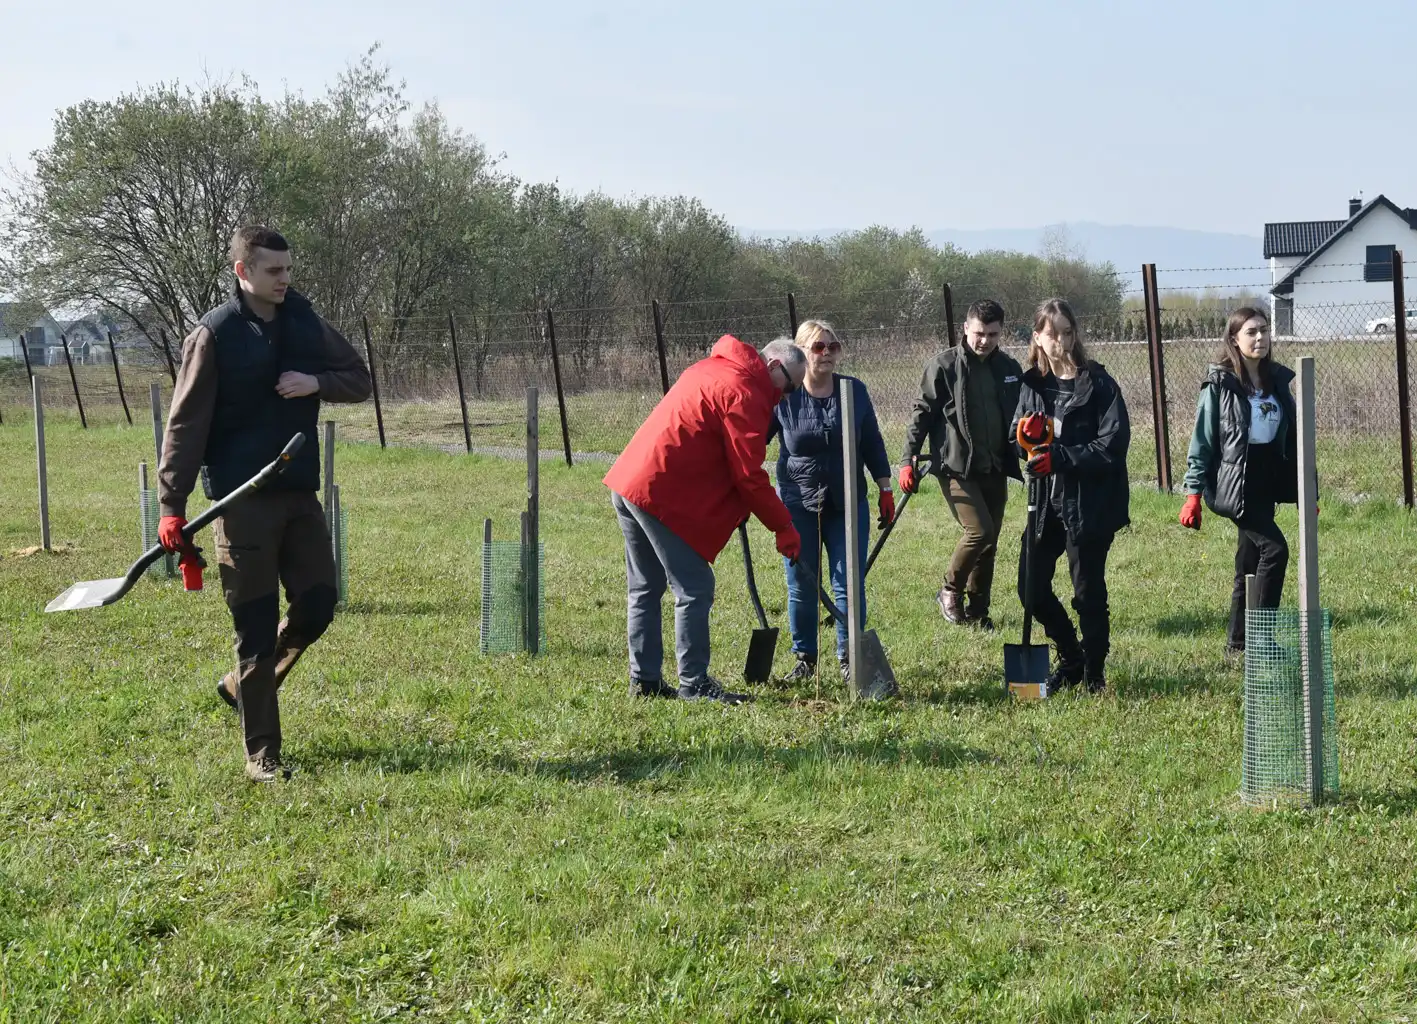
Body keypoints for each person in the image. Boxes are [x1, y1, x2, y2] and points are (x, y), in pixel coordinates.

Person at [157, 225, 371, 782]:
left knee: (319, 604)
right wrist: (171, 504)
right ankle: (262, 756)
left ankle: (239, 686)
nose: (285, 279)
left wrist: (314, 382)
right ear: (242, 272)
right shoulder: (215, 334)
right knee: (253, 627)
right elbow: (185, 423)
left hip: (298, 492)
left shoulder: (303, 319)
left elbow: (358, 380)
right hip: (241, 497)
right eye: (273, 270)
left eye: (288, 269)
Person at [603, 335, 806, 704]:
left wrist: (736, 504)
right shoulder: (746, 390)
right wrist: (783, 525)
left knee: (645, 588)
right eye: (789, 386)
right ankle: (694, 683)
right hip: (658, 491)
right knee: (694, 588)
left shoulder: (711, 368)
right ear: (774, 366)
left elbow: (710, 445)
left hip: (630, 480)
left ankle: (644, 681)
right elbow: (749, 474)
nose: (787, 396)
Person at [1011, 298, 1130, 694]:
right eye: (1051, 333)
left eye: (1066, 332)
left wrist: (1062, 456)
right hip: (1045, 503)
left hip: (1089, 503)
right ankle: (1071, 657)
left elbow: (1113, 445)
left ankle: (1094, 674)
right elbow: (1017, 439)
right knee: (1030, 588)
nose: (1060, 340)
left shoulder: (1098, 384)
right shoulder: (1032, 385)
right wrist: (1022, 441)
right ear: (1037, 338)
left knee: (1087, 592)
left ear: (1075, 335)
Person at [768, 320, 893, 682]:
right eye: (818, 347)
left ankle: (849, 658)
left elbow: (871, 441)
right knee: (801, 584)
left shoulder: (853, 391)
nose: (826, 354)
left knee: (848, 582)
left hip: (847, 503)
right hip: (796, 503)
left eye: (832, 347)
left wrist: (884, 488)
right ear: (801, 353)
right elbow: (753, 437)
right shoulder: (785, 394)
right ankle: (805, 659)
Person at [1179, 307, 1298, 658]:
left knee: (1248, 562)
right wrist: (1193, 494)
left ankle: (1237, 644)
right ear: (1234, 339)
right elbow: (1202, 439)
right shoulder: (1220, 384)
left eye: (1264, 330)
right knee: (1275, 550)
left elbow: (1294, 438)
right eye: (1251, 332)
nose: (1260, 337)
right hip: (1234, 481)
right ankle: (1262, 641)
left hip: (1266, 479)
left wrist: (1309, 489)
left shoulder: (1277, 380)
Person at [899, 299, 1023, 630]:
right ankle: (949, 590)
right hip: (955, 466)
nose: (985, 340)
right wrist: (906, 459)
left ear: (1001, 333)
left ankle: (979, 612)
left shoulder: (1009, 369)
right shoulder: (943, 366)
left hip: (995, 466)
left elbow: (1021, 416)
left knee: (990, 541)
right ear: (965, 328)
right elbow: (921, 414)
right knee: (978, 531)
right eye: (979, 333)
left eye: (993, 334)